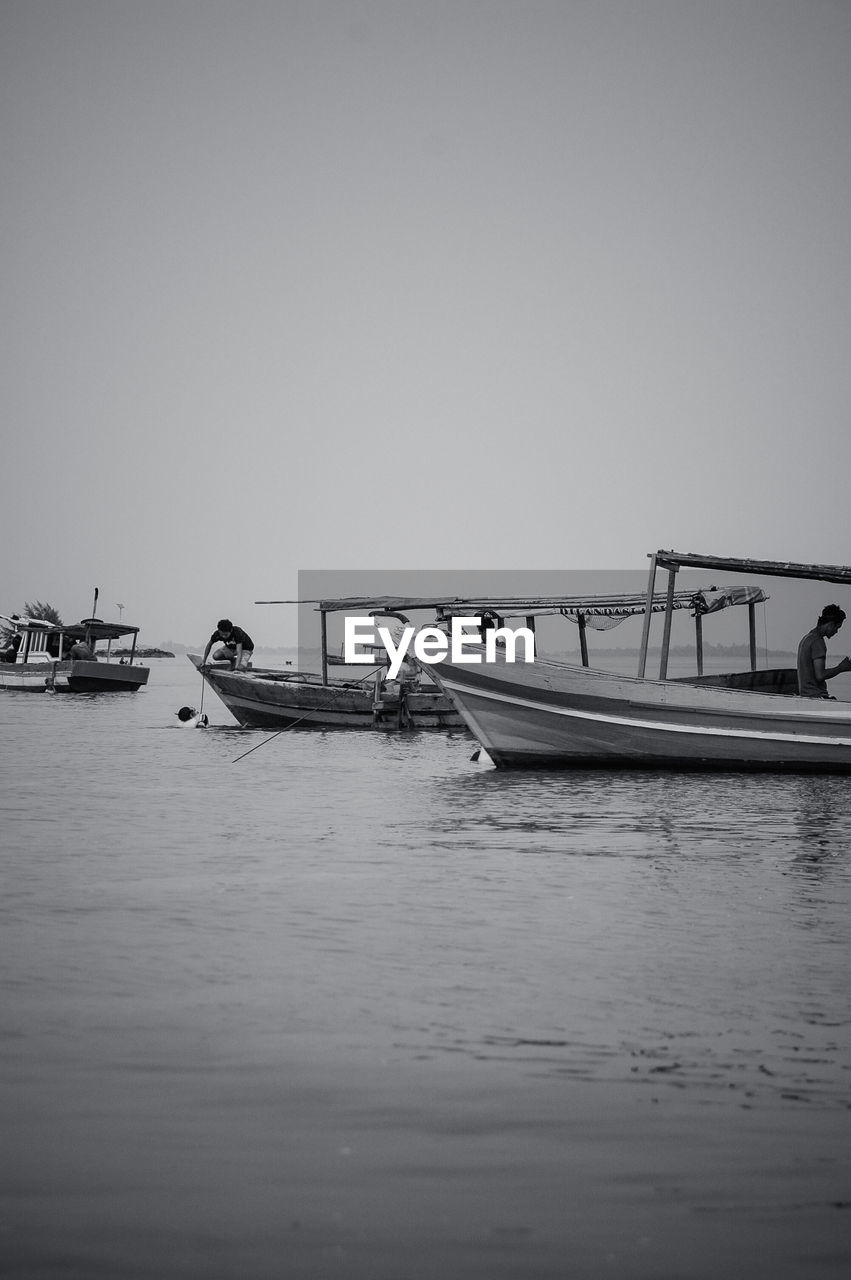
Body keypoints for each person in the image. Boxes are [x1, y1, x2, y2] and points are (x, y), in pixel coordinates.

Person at [796, 604, 851, 698]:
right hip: (816, 696)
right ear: (830, 624)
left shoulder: (807, 638)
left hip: (806, 695)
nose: (836, 632)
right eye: (837, 627)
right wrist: (841, 668)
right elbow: (820, 675)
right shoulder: (818, 642)